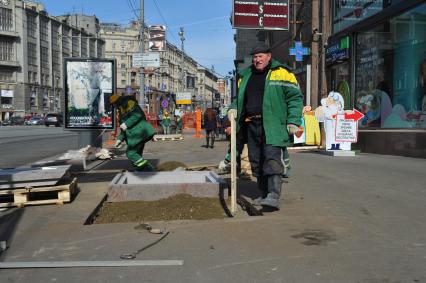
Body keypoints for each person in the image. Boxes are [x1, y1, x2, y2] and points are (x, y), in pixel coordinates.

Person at [227, 42, 303, 210]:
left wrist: (293, 120)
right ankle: (263, 194)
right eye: (255, 57)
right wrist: (233, 108)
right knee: (256, 160)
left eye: (260, 56)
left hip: (273, 124)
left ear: (269, 57)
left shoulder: (282, 73)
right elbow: (239, 99)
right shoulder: (246, 75)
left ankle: (273, 196)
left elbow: (295, 98)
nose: (257, 60)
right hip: (252, 125)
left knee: (271, 158)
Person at [109, 93, 156, 170]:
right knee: (137, 155)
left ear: (116, 102)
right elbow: (123, 128)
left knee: (131, 153)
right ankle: (143, 171)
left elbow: (137, 115)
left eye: (113, 105)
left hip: (140, 133)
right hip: (137, 135)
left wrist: (126, 124)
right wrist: (119, 139)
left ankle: (150, 169)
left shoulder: (129, 103)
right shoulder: (121, 109)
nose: (113, 107)